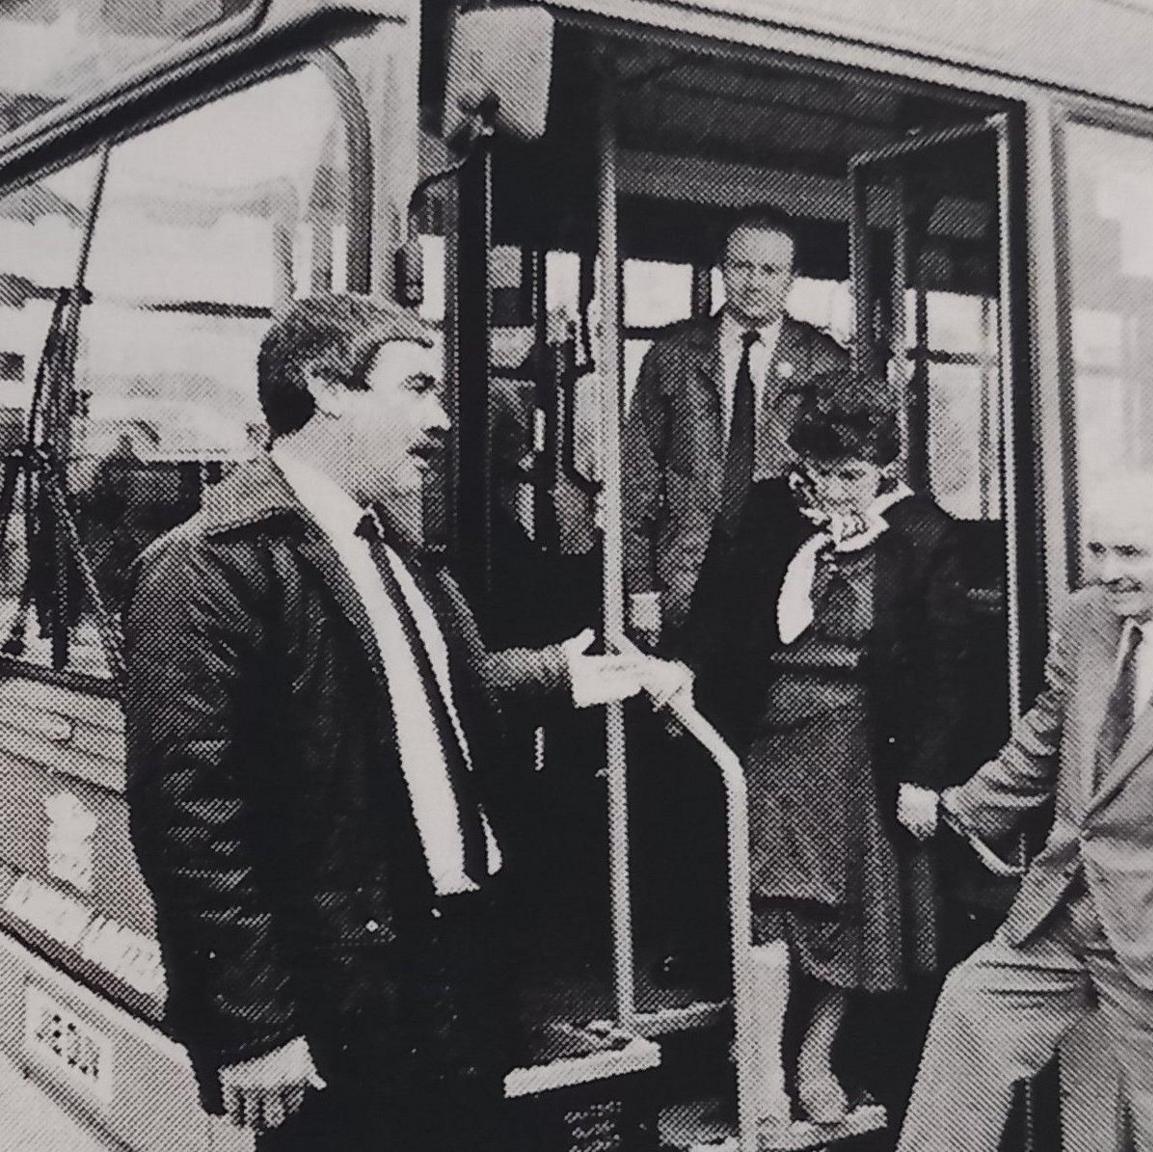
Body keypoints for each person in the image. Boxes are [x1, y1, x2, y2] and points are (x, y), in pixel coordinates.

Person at [121, 294, 666, 1150]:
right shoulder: (206, 568)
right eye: (415, 388)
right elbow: (192, 822)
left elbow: (415, 693)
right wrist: (257, 1027)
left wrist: (560, 677)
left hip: (454, 959)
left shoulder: (390, 549)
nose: (442, 419)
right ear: (326, 389)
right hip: (342, 988)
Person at [890, 473, 1153, 1152]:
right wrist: (962, 808)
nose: (1109, 573)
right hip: (1066, 903)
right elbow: (1046, 734)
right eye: (1098, 552)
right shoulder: (1085, 618)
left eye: (1130, 554)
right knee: (971, 1013)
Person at [669, 374, 970, 1123]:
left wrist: (924, 778)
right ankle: (761, 1059)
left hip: (862, 740)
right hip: (770, 729)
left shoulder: (926, 535)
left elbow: (943, 669)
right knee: (766, 898)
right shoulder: (769, 510)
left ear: (887, 472)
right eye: (818, 473)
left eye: (852, 477)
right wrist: (685, 673)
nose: (834, 492)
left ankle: (815, 1054)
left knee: (847, 913)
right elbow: (715, 609)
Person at [621, 203, 850, 646]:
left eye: (770, 269)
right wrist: (641, 588)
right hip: (684, 574)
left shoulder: (825, 363)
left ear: (791, 276)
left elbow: (853, 481)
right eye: (743, 266)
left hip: (785, 580)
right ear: (723, 268)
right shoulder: (672, 357)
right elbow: (637, 482)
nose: (755, 282)